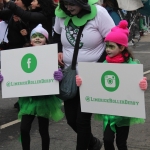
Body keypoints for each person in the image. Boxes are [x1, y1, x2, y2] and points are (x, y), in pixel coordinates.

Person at [76, 20, 148, 150]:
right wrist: (83, 82)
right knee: (108, 140)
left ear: (121, 48)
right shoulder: (104, 65)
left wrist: (142, 84)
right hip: (109, 111)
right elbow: (95, 83)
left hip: (124, 112)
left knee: (121, 143)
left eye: (111, 46)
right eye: (106, 46)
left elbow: (137, 84)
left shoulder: (131, 66)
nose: (107, 49)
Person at [53, 0, 115, 149]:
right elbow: (56, 34)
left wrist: (98, 68)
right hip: (70, 76)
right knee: (71, 120)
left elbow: (113, 40)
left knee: (82, 120)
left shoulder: (100, 13)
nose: (68, 7)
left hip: (92, 76)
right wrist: (59, 51)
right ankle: (93, 143)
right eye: (65, 4)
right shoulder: (61, 14)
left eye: (72, 4)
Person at [0, 24, 64, 150]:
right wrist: (4, 77)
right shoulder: (22, 54)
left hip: (44, 99)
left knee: (43, 130)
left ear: (46, 39)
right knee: (24, 128)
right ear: (30, 40)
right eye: (34, 36)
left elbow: (57, 71)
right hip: (28, 99)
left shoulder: (50, 55)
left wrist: (58, 75)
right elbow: (14, 70)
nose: (37, 38)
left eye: (41, 36)